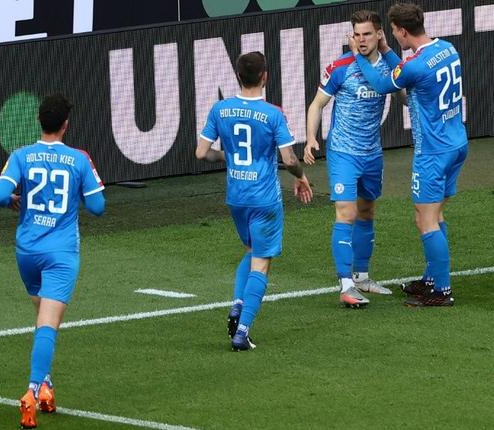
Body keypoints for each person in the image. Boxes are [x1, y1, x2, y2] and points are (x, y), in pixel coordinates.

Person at [0, 94, 106, 428]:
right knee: (47, 325)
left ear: (39, 123)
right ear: (66, 124)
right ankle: (31, 390)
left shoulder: (21, 156)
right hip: (60, 254)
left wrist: (16, 198)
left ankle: (46, 386)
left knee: (43, 318)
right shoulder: (79, 159)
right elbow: (98, 207)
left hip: (27, 251)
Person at [349, 2, 468, 306]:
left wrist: (356, 55)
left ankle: (441, 290)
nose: (392, 35)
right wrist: (389, 51)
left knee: (424, 220)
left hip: (432, 152)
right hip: (455, 143)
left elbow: (380, 83)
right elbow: (405, 71)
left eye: (393, 32)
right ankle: (431, 280)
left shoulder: (415, 65)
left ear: (402, 31)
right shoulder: (447, 49)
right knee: (435, 214)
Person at [196, 51, 313, 351]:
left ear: (237, 76)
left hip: (236, 196)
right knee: (262, 262)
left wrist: (230, 156)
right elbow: (288, 159)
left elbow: (201, 153)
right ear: (265, 76)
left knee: (250, 251)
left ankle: (237, 304)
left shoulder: (220, 109)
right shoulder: (273, 114)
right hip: (264, 198)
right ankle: (242, 331)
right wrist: (300, 176)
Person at [305, 10, 401, 308]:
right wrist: (311, 138)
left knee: (367, 211)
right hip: (343, 153)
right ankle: (346, 284)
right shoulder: (340, 67)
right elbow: (316, 105)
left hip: (372, 153)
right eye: (357, 34)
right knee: (346, 213)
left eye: (367, 34)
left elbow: (406, 97)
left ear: (379, 34)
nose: (361, 40)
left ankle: (362, 277)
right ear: (351, 36)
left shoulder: (388, 67)